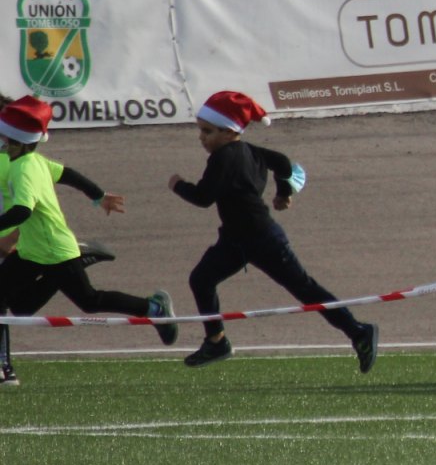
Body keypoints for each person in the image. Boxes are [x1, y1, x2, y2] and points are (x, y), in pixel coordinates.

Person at [171, 90, 377, 373]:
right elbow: (281, 162)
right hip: (236, 241)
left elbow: (203, 198)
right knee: (201, 280)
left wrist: (178, 185)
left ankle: (359, 332)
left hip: (262, 239)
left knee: (305, 289)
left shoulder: (223, 158)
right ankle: (216, 340)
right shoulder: (248, 151)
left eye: (207, 131)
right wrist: (283, 193)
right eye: (200, 131)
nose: (201, 138)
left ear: (229, 131)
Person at [0, 96, 176, 385]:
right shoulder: (34, 160)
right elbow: (67, 174)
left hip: (55, 250)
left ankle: (152, 308)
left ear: (20, 142)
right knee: (18, 308)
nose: (4, 144)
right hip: (33, 251)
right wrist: (98, 196)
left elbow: (22, 210)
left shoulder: (24, 168)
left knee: (90, 301)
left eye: (7, 140)